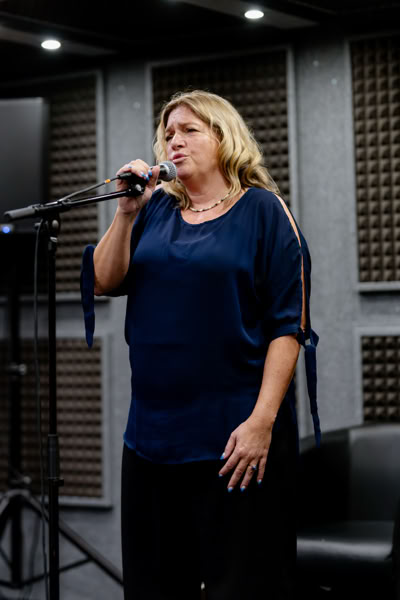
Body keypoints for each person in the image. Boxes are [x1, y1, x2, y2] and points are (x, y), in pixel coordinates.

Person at [81, 90, 320, 600]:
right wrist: (125, 212)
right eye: (168, 133)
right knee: (154, 586)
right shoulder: (154, 211)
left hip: (236, 439)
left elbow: (288, 327)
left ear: (224, 137)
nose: (175, 140)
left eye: (190, 130)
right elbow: (102, 280)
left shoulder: (264, 211)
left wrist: (262, 423)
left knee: (245, 586)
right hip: (152, 440)